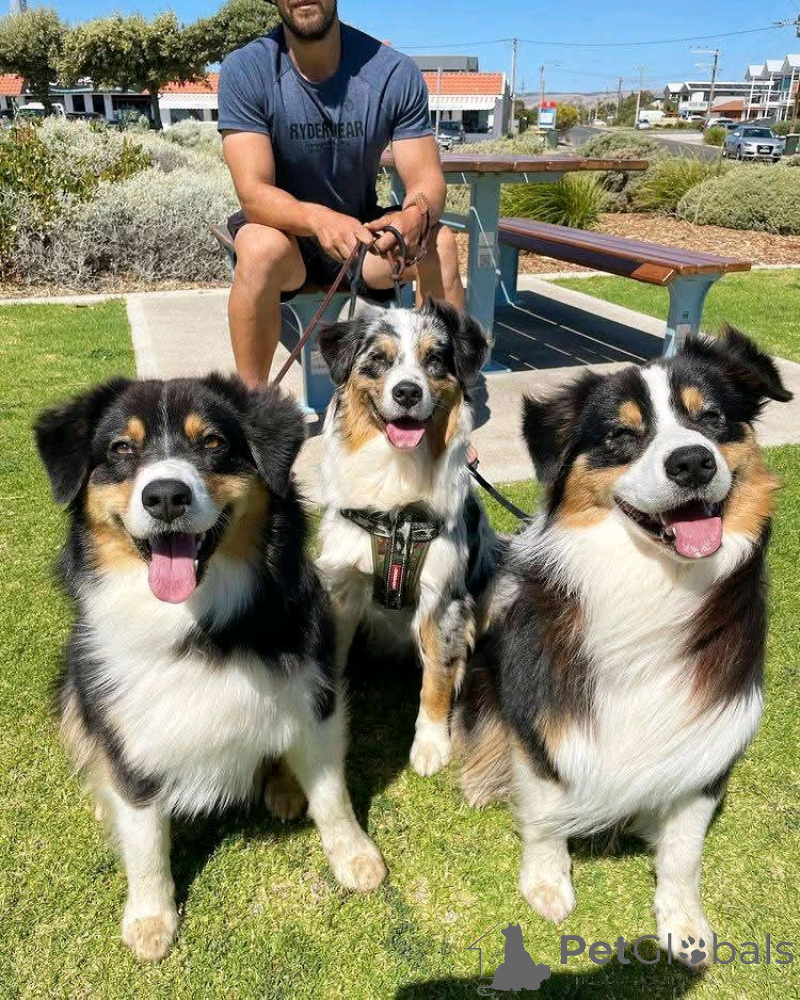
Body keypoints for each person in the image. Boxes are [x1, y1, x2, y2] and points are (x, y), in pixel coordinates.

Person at [217, 0, 465, 387]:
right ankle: (252, 406)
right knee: (258, 246)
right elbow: (253, 193)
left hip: (360, 238)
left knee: (440, 244)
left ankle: (442, 398)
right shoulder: (246, 69)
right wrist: (319, 219)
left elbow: (426, 181)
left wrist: (414, 215)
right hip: (286, 239)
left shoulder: (393, 72)